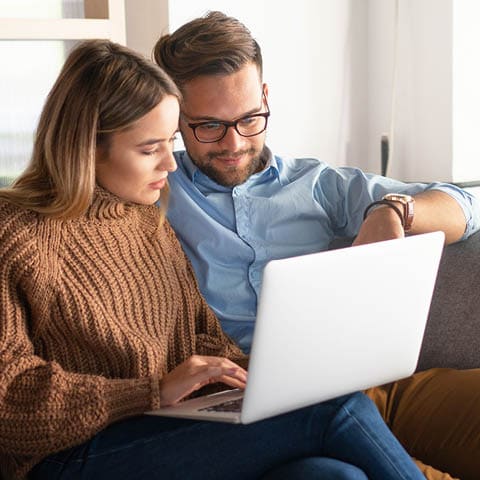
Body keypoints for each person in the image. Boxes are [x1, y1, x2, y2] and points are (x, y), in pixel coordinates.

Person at [0, 39, 427, 480]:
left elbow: (200, 338)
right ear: (86, 147)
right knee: (333, 407)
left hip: (160, 430)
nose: (170, 164)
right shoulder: (15, 232)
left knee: (330, 475)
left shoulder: (145, 219)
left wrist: (263, 377)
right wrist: (147, 393)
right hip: (66, 457)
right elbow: (7, 396)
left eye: (170, 141)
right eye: (149, 149)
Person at [154, 10, 480, 480]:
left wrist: (392, 210)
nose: (233, 143)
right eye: (208, 126)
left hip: (369, 384)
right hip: (252, 406)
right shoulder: (154, 193)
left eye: (250, 118)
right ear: (175, 117)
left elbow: (467, 204)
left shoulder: (316, 184)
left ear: (265, 97)